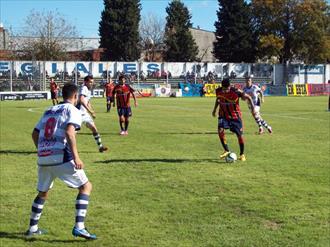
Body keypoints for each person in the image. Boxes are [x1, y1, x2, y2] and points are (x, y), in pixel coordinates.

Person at [25, 83, 97, 240]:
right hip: (61, 155)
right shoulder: (73, 110)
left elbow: (34, 133)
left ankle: (32, 228)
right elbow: (70, 133)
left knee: (43, 193)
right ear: (75, 96)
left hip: (43, 157)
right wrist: (76, 157)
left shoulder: (48, 110)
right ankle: (80, 227)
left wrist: (42, 150)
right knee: (85, 186)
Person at [212, 78, 255, 161]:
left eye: (227, 89)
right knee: (220, 130)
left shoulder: (236, 91)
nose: (225, 91)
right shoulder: (218, 91)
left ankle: (242, 154)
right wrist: (214, 110)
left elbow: (249, 97)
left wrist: (253, 110)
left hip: (235, 116)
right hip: (223, 115)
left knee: (240, 135)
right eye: (224, 89)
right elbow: (218, 99)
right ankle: (226, 150)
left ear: (230, 86)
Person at [77, 75, 108, 152]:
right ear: (85, 82)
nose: (91, 83)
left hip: (85, 114)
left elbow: (88, 102)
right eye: (90, 82)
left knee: (94, 128)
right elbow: (81, 100)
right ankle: (64, 147)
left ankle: (100, 147)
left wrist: (92, 111)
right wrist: (90, 111)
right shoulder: (83, 88)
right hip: (78, 113)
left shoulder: (88, 90)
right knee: (73, 132)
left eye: (92, 82)